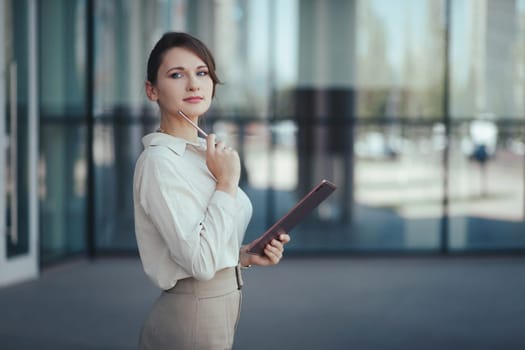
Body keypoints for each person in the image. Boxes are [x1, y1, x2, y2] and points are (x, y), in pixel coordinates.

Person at [133, 31, 291, 350]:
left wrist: (244, 255)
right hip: (191, 317)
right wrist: (226, 183)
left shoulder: (201, 155)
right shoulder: (159, 162)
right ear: (152, 90)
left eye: (202, 73)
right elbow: (200, 264)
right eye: (177, 75)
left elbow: (205, 244)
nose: (193, 84)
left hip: (221, 307)